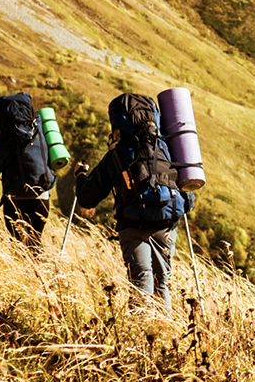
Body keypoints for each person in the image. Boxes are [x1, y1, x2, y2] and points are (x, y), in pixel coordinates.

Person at [70, 93, 193, 304]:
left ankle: (140, 325)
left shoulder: (116, 155)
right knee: (162, 284)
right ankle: (165, 325)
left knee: (141, 282)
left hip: (133, 224)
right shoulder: (166, 147)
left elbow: (87, 198)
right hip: (167, 221)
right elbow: (188, 196)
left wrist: (80, 175)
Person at [0, 91, 56, 249]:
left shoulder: (0, 143)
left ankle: (20, 264)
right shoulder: (42, 135)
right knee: (35, 243)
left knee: (17, 246)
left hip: (13, 199)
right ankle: (40, 264)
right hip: (41, 198)